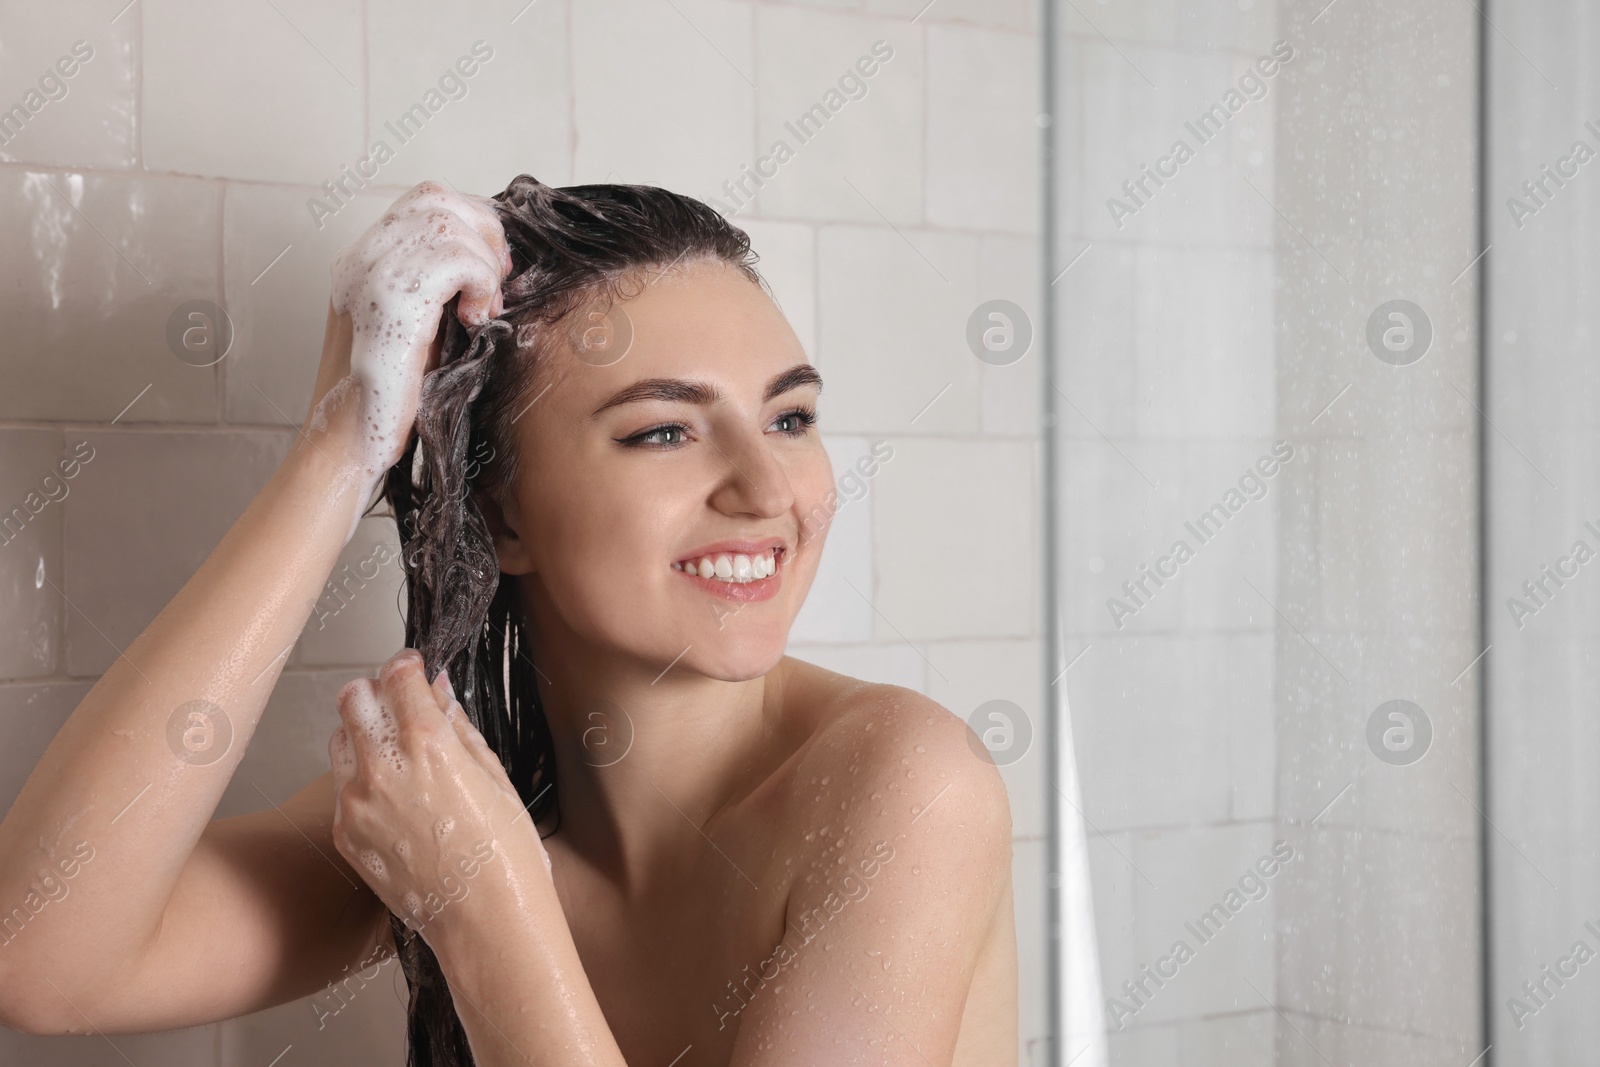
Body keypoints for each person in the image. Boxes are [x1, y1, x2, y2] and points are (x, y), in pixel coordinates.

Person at [0, 176, 1017, 1066]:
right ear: (498, 511)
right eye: (665, 430)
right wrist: (339, 454)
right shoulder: (468, 800)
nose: (765, 488)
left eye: (788, 417)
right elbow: (44, 957)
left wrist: (484, 908)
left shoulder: (907, 784)